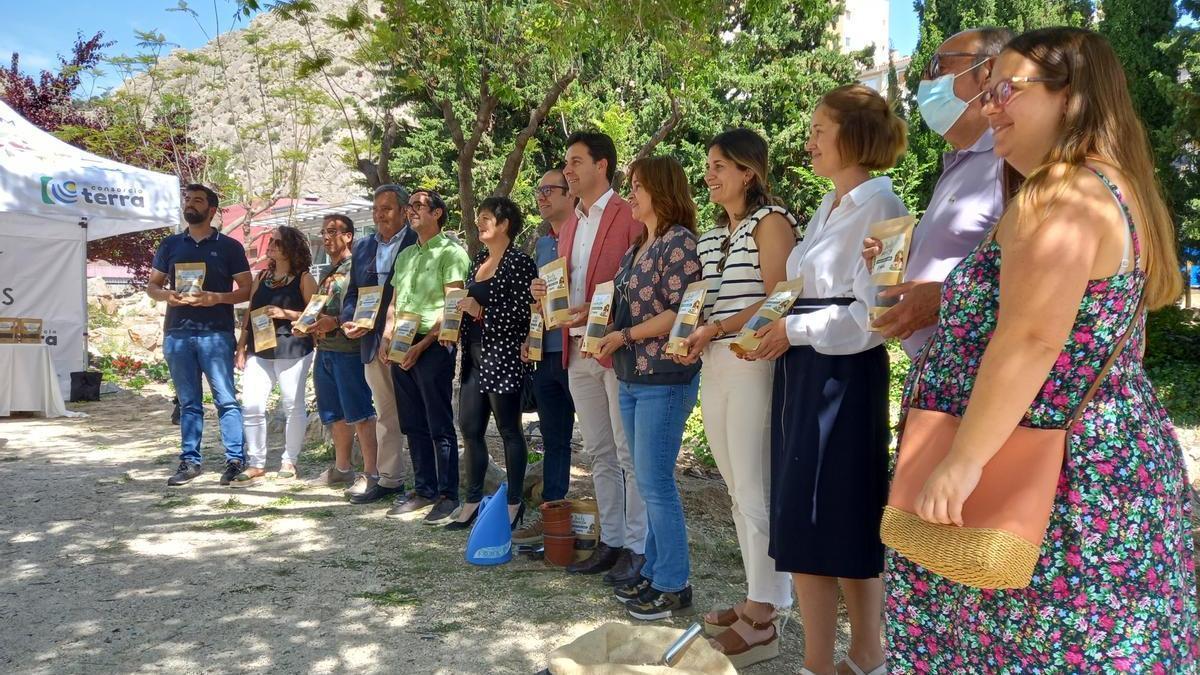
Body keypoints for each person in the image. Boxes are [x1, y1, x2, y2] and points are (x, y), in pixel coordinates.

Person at [886, 27, 1198, 671]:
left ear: (1070, 98)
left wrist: (964, 460)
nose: (989, 105)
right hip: (1100, 467)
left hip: (1041, 485)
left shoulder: (1059, 194)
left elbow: (1030, 338)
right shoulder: (1113, 189)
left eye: (1006, 88)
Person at [746, 84, 907, 675]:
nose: (809, 140)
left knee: (834, 515)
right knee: (807, 518)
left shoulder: (881, 207)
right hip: (804, 369)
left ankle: (854, 658)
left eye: (820, 129)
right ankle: (841, 659)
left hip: (842, 376)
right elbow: (797, 291)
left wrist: (795, 332)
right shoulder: (829, 206)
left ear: (854, 136)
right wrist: (770, 330)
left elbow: (874, 318)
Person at [676, 128, 798, 666]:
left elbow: (781, 296)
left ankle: (764, 615)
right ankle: (759, 599)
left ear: (749, 171)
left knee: (753, 486)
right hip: (715, 360)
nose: (710, 174)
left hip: (753, 362)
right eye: (708, 165)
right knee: (735, 487)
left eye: (720, 165)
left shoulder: (771, 223)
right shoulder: (708, 236)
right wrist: (692, 332)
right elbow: (704, 304)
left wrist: (717, 326)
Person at [531, 131, 647, 586]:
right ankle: (611, 541)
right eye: (566, 163)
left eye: (576, 162)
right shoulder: (570, 224)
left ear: (602, 166)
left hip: (615, 351)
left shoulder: (628, 214)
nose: (567, 171)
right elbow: (565, 287)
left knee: (627, 452)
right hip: (574, 348)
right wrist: (545, 294)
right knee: (598, 451)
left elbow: (640, 283)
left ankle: (637, 549)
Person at [590, 156, 702, 621]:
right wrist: (588, 320)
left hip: (665, 378)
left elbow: (680, 312)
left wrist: (625, 336)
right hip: (633, 377)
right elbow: (617, 305)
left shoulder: (679, 243)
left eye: (637, 186)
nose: (631, 194)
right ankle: (655, 570)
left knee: (656, 483)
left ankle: (675, 584)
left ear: (661, 189)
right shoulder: (638, 246)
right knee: (648, 478)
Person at [863, 27, 1013, 357]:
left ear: (988, 74)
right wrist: (894, 258)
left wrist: (944, 298)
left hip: (975, 373)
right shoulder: (958, 165)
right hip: (936, 372)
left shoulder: (1013, 163)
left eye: (940, 67)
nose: (927, 83)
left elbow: (1037, 281)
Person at [147, 184, 252, 487]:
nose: (190, 204)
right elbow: (152, 286)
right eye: (187, 200)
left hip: (215, 334)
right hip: (177, 333)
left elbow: (247, 289)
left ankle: (235, 459)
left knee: (226, 400)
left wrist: (215, 298)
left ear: (212, 209)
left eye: (197, 200)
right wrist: (166, 295)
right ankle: (190, 462)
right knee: (188, 402)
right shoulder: (170, 245)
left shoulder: (230, 247)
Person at [446, 196, 539, 531]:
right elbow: (468, 308)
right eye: (479, 216)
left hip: (504, 356)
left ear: (505, 224)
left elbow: (524, 314)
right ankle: (472, 500)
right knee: (470, 428)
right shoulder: (477, 263)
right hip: (472, 357)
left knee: (509, 430)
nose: (480, 222)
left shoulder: (520, 262)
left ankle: (515, 503)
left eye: (487, 217)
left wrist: (480, 311)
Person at [380, 189, 471, 525]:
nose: (411, 211)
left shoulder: (452, 252)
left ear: (437, 213)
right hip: (402, 341)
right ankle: (424, 488)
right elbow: (394, 302)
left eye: (419, 206)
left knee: (438, 422)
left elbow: (453, 306)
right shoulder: (405, 256)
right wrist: (388, 335)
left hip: (434, 342)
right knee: (412, 421)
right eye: (410, 207)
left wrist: (422, 345)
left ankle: (448, 494)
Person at [340, 184, 418, 504]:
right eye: (375, 209)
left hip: (413, 340)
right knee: (385, 413)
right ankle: (390, 479)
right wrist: (349, 321)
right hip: (373, 343)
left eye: (386, 209)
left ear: (403, 211)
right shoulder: (362, 247)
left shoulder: (418, 241)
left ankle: (433, 482)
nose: (379, 215)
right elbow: (353, 295)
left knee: (420, 413)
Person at [514, 168, 579, 546]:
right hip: (546, 353)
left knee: (609, 445)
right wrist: (530, 335)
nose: (541, 196)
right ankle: (553, 516)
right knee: (554, 438)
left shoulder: (587, 235)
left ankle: (614, 524)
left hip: (583, 353)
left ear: (571, 194)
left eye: (549, 189)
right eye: (538, 190)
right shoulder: (541, 244)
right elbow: (542, 302)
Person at [232, 225, 316, 486]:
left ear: (291, 248)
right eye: (272, 241)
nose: (272, 245)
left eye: (278, 242)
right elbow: (250, 312)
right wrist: (242, 345)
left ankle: (289, 461)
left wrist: (285, 314)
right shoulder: (261, 276)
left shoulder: (304, 278)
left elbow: (314, 315)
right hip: (261, 347)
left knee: (292, 405)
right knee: (252, 405)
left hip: (292, 348)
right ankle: (256, 463)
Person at [306, 214, 380, 490]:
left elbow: (365, 304)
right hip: (324, 349)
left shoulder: (357, 267)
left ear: (348, 236)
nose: (326, 237)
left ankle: (371, 472)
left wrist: (335, 322)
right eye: (324, 232)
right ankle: (342, 468)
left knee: (359, 412)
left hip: (348, 350)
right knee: (334, 413)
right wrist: (307, 324)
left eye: (332, 232)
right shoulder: (327, 269)